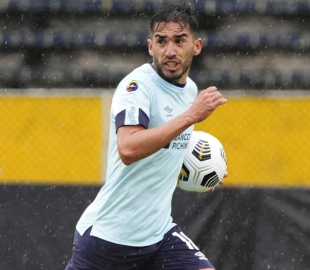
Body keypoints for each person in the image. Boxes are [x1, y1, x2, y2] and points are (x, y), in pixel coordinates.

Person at [65, 4, 227, 270]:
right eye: (161, 41)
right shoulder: (136, 87)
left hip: (158, 234)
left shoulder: (191, 91)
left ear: (196, 46)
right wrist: (191, 116)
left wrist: (203, 170)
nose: (170, 51)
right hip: (108, 239)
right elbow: (128, 149)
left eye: (179, 41)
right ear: (151, 47)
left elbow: (169, 146)